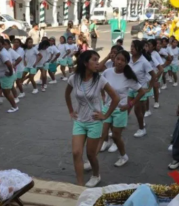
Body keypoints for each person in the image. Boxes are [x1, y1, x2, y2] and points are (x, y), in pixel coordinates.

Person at [65, 50, 119, 187]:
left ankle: (96, 175)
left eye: (98, 60)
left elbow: (115, 98)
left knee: (90, 155)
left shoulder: (100, 80)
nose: (97, 63)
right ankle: (80, 184)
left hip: (94, 122)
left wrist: (105, 115)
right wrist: (71, 111)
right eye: (94, 60)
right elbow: (67, 94)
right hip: (79, 121)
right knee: (76, 152)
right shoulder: (74, 78)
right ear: (85, 62)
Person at [99, 50, 145, 166]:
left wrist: (130, 104)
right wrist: (103, 95)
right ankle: (92, 159)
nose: (119, 62)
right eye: (118, 59)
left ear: (126, 63)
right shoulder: (107, 72)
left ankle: (123, 156)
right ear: (114, 59)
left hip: (120, 110)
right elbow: (100, 84)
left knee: (116, 136)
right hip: (107, 108)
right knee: (102, 133)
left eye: (123, 60)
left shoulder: (128, 77)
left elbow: (141, 91)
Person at [128, 40, 156, 138]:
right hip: (130, 88)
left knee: (137, 110)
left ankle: (141, 129)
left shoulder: (144, 61)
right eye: (131, 46)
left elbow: (153, 75)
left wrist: (149, 88)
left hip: (140, 89)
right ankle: (119, 127)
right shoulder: (129, 59)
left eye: (133, 47)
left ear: (139, 49)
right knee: (127, 108)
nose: (131, 49)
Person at [0, 38, 18, 113]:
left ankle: (14, 106)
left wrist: (11, 73)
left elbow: (9, 64)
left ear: (2, 44)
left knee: (6, 93)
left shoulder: (3, 53)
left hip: (6, 75)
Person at [148, 39, 165, 109]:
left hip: (157, 73)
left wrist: (156, 76)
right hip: (149, 73)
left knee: (155, 88)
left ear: (153, 46)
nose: (148, 46)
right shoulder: (146, 53)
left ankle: (156, 102)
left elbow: (161, 66)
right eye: (147, 45)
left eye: (149, 45)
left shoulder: (155, 54)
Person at [4, 39, 22, 104]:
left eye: (5, 44)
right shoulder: (2, 51)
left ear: (9, 45)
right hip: (3, 72)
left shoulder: (10, 51)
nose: (4, 46)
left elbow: (19, 58)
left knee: (11, 86)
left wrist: (14, 65)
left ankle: (15, 98)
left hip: (10, 72)